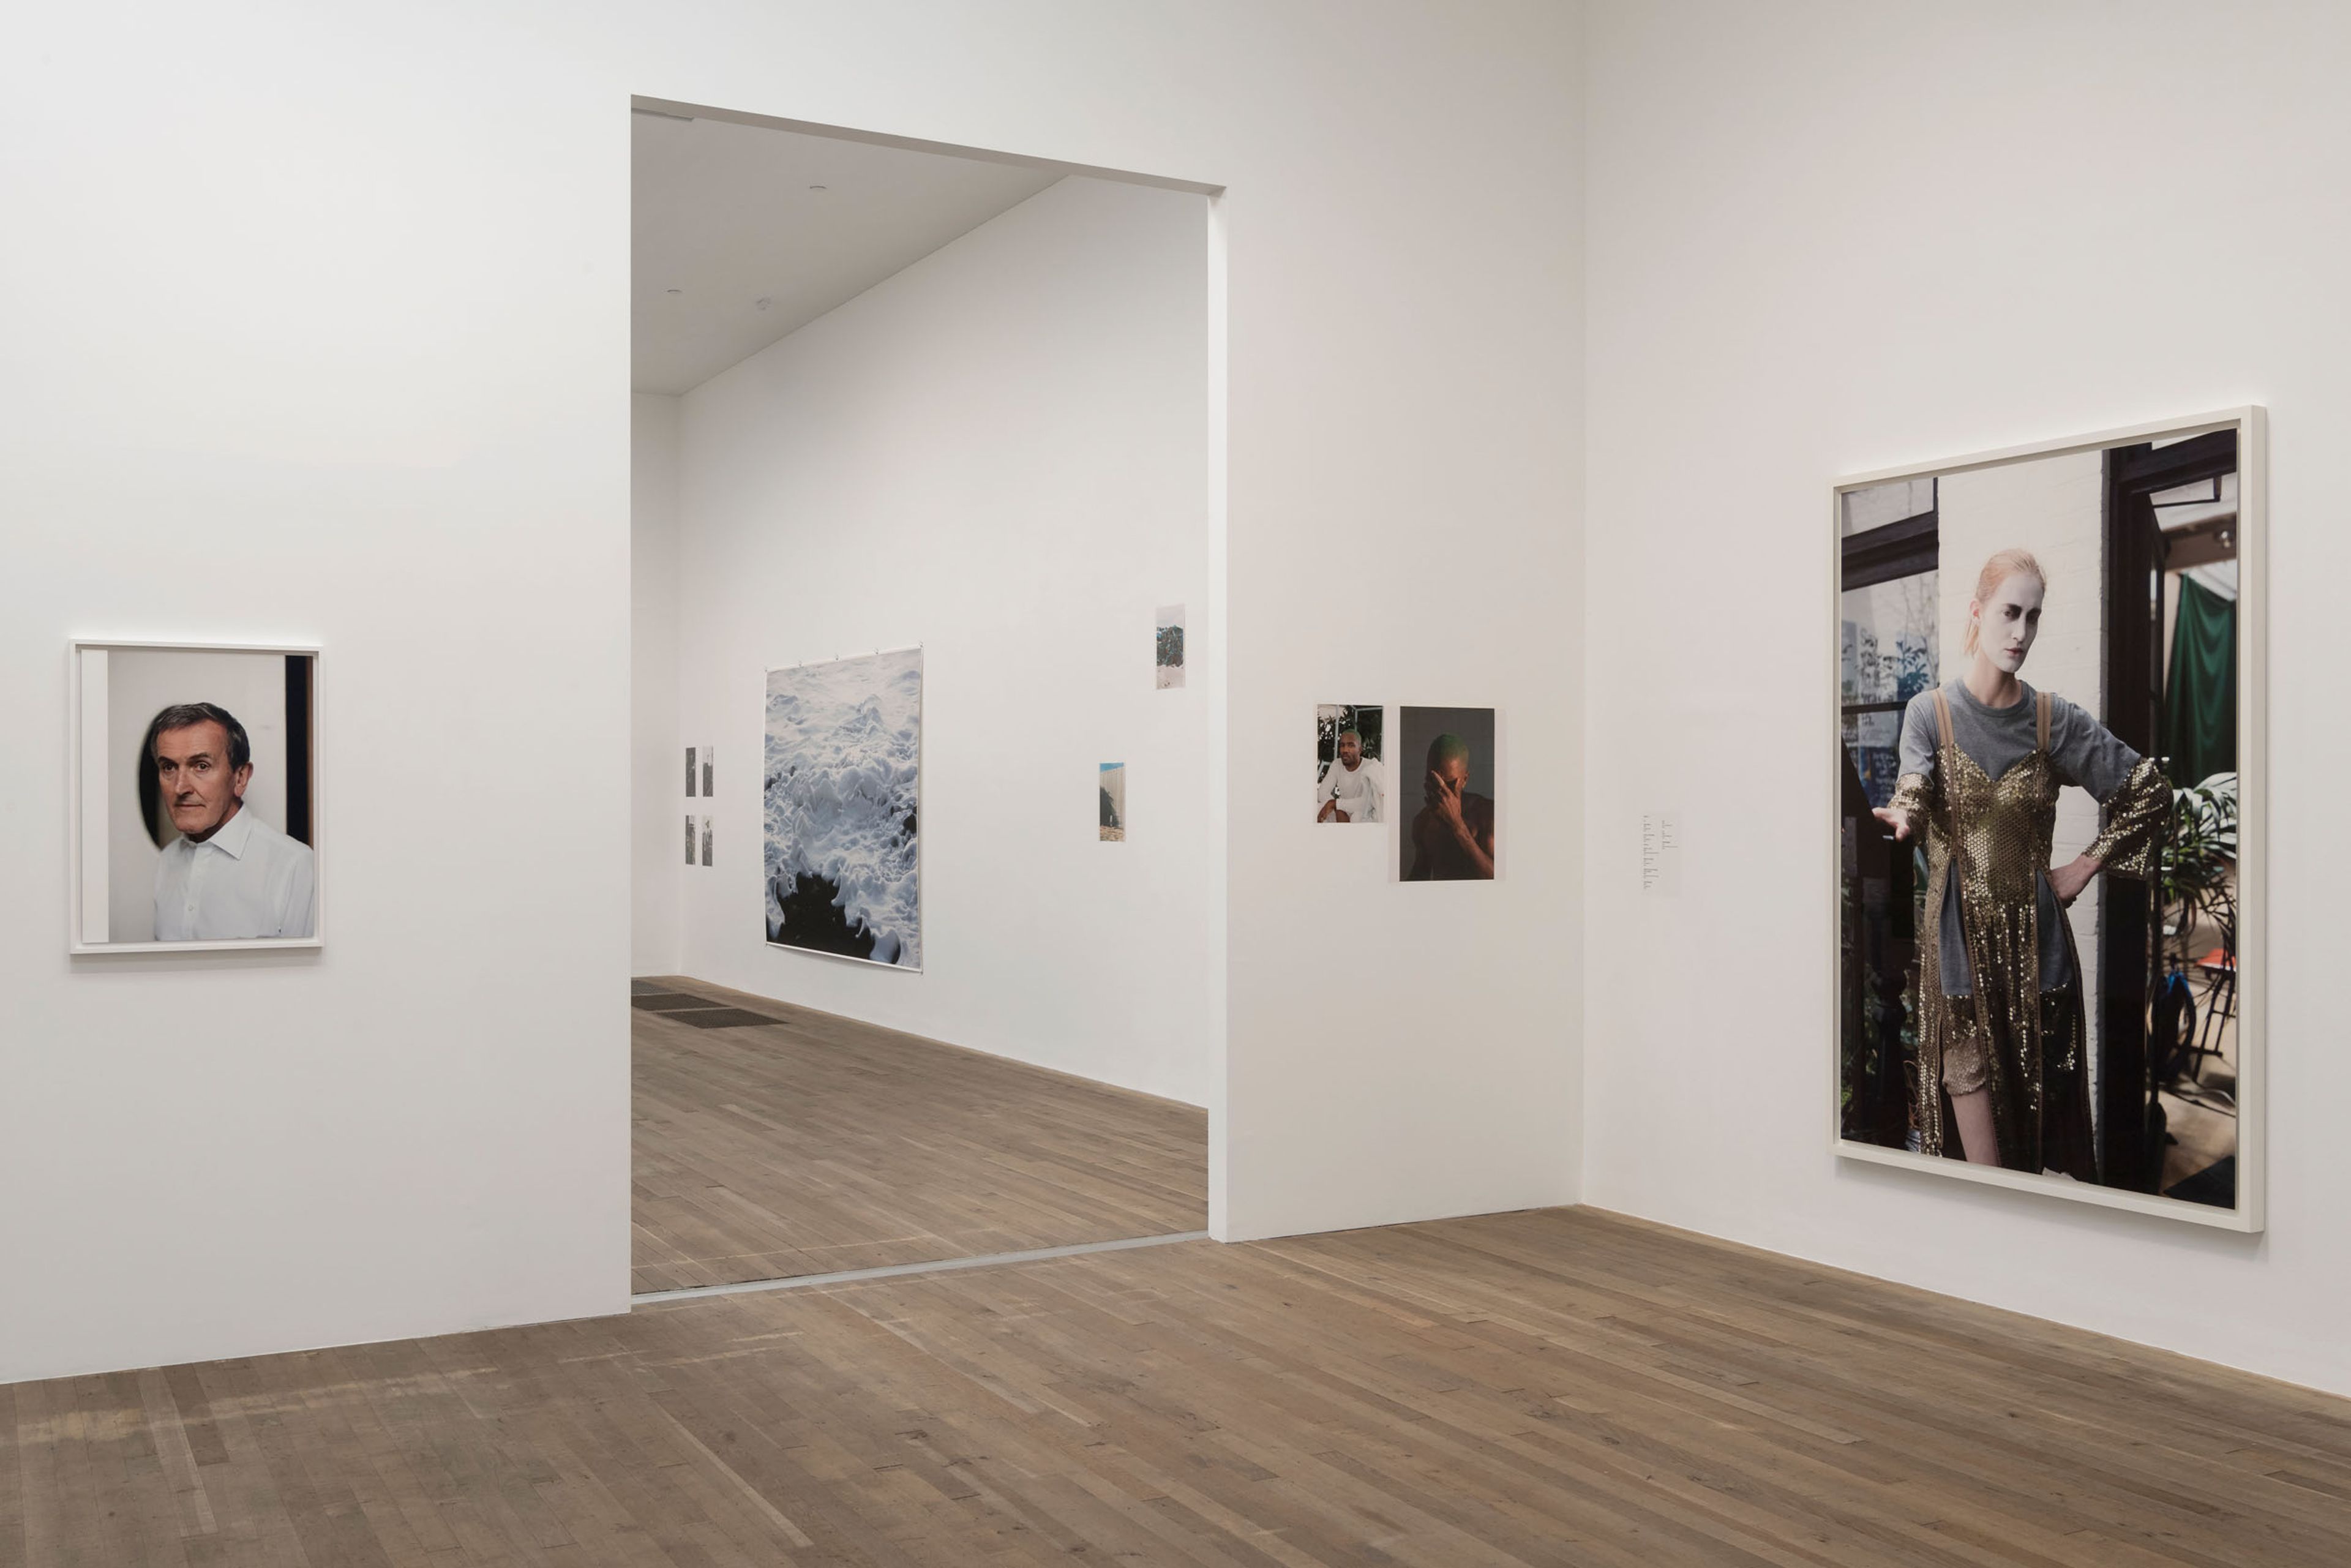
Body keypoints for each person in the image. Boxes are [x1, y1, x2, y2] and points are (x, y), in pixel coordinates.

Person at [1875, 549, 2167, 1179]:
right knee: (1983, 1171)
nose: (2021, 633)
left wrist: (2084, 866)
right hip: (1957, 956)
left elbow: (2150, 791)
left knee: (2048, 1166)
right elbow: (1916, 785)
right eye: (2010, 612)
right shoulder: (1932, 713)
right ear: (1978, 612)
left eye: (2033, 617)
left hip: (2042, 963)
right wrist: (1903, 812)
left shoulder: (2051, 720)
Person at [147, 702, 317, 940]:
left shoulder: (294, 866)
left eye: (201, 766)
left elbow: (309, 976)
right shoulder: (167, 860)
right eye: (169, 767)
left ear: (240, 778)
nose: (180, 787)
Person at [1405, 732, 1494, 880]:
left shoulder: (1487, 815)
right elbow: (1419, 877)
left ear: (1465, 779)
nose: (1441, 792)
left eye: (1449, 784)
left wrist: (1458, 826)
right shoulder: (1422, 822)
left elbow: (1499, 881)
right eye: (1434, 781)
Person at [1315, 728, 1385, 823]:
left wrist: (1336, 804)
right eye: (1342, 745)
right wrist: (1338, 809)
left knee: (1356, 817)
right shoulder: (1337, 764)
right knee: (1314, 810)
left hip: (1363, 813)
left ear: (1360, 749)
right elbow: (1322, 793)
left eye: (1351, 746)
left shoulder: (1370, 767)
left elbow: (1366, 803)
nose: (1345, 750)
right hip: (1344, 810)